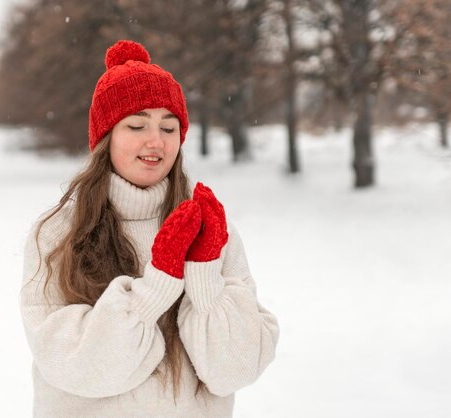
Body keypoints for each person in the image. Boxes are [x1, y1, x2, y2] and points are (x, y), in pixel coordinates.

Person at [20, 39, 279, 417]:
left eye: (169, 128)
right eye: (137, 125)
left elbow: (236, 369)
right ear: (106, 138)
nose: (155, 141)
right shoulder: (59, 233)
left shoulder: (208, 228)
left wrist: (204, 277)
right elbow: (70, 365)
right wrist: (155, 288)